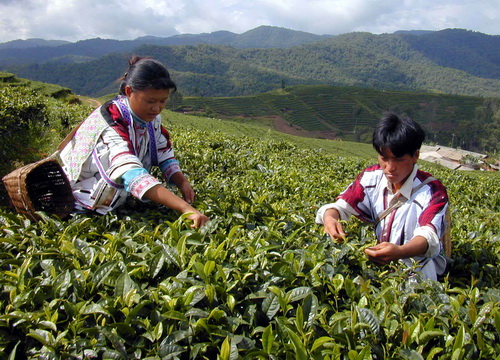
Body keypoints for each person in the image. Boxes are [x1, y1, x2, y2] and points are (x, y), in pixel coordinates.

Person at [59, 56, 208, 228]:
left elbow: (162, 152)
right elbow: (130, 172)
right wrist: (185, 208)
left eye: (163, 101)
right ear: (129, 92)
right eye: (150, 101)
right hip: (79, 206)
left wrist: (182, 182)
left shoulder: (150, 119)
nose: (156, 108)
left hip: (115, 203)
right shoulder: (111, 122)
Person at [315, 112, 449, 280]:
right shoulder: (371, 178)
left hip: (416, 273)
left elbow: (429, 236)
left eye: (398, 159)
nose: (389, 167)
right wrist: (330, 218)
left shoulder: (432, 191)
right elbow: (342, 206)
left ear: (415, 156)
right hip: (378, 271)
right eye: (384, 158)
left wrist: (400, 251)